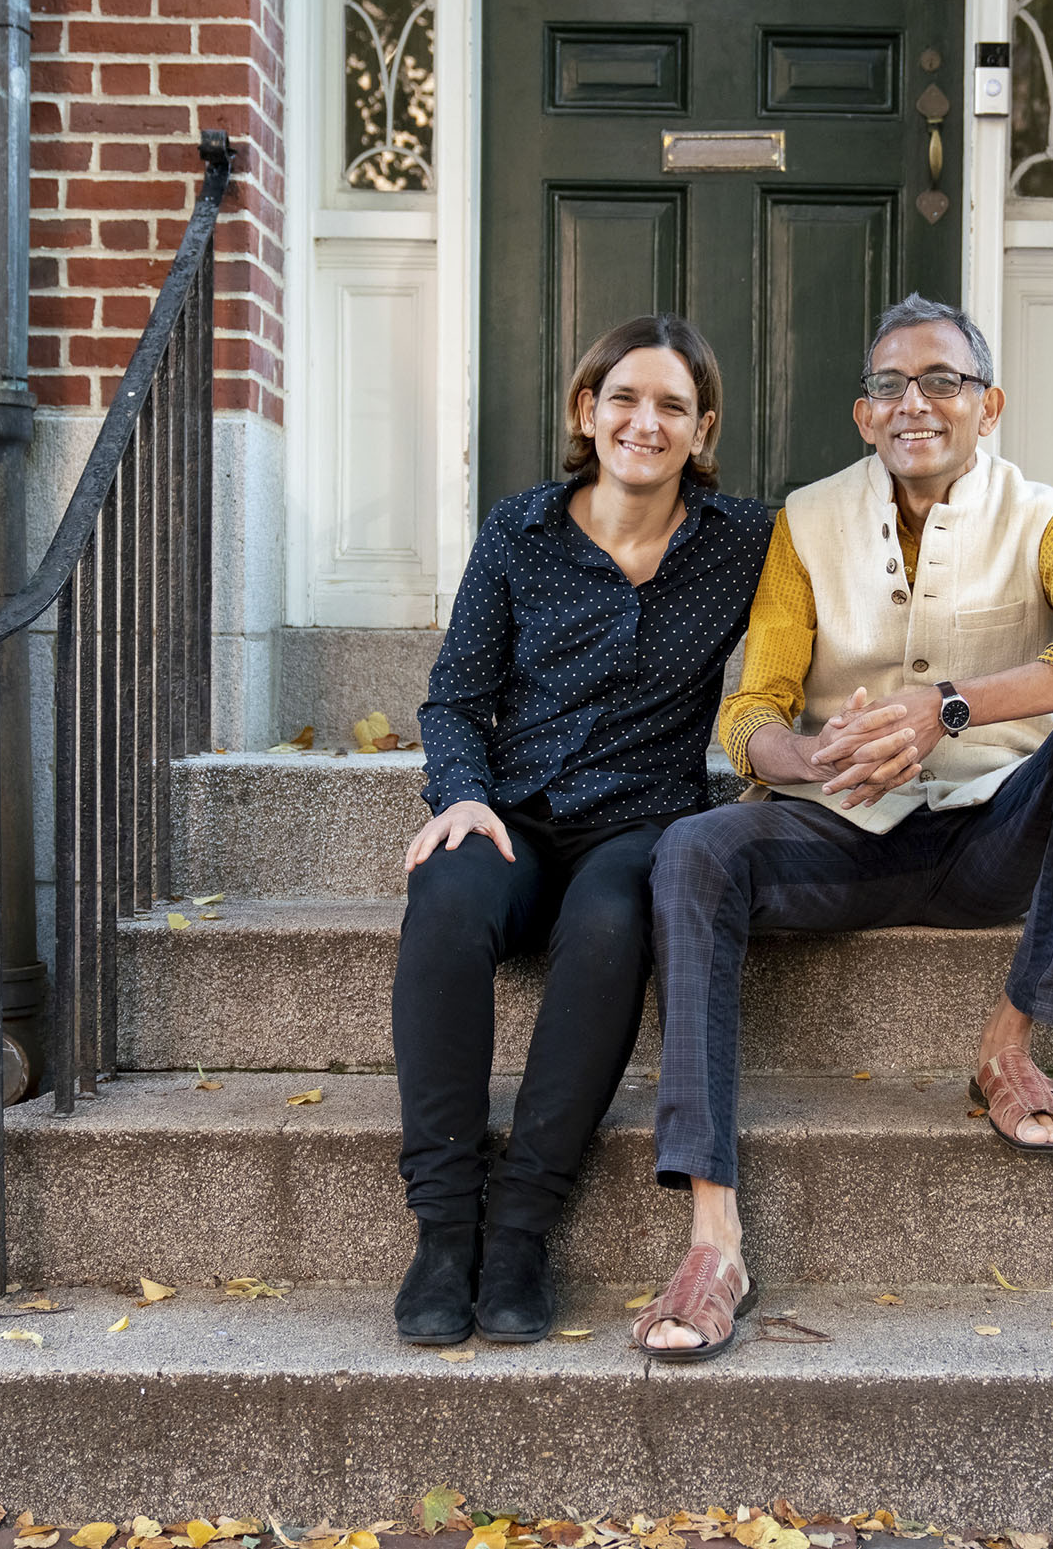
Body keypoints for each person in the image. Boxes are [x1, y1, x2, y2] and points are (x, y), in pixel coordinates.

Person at [629, 293, 1053, 1361]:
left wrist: (950, 707)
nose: (914, 402)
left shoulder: (1046, 518)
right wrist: (806, 757)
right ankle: (712, 1234)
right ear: (864, 413)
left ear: (989, 406)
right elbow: (753, 707)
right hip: (839, 838)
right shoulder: (806, 522)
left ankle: (1008, 1044)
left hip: (992, 835)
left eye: (943, 381)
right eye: (890, 384)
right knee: (691, 847)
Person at [393, 314, 771, 1346]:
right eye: (625, 398)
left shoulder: (746, 540)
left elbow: (845, 570)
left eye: (673, 406)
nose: (646, 422)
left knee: (611, 924)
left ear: (703, 429)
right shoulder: (520, 529)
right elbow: (455, 697)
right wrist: (460, 793)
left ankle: (520, 1227)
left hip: (640, 820)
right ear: (586, 411)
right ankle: (444, 1230)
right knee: (445, 893)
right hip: (512, 808)